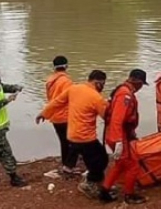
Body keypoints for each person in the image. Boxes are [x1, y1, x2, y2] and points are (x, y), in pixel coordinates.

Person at [36, 70, 109, 199]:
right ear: (98, 82)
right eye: (103, 84)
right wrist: (109, 104)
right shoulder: (96, 98)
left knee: (91, 160)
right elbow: (108, 117)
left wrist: (44, 113)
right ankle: (88, 184)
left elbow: (57, 102)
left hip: (71, 135)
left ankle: (96, 181)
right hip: (86, 138)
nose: (103, 87)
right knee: (102, 159)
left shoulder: (74, 89)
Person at [99, 69, 149, 205]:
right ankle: (129, 194)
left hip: (118, 134)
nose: (140, 88)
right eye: (141, 84)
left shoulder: (122, 90)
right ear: (137, 82)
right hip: (118, 135)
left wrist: (130, 134)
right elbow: (117, 119)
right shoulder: (125, 95)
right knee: (133, 165)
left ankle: (104, 190)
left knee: (120, 164)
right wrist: (118, 141)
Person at [44, 56, 76, 175]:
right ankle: (69, 166)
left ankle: (65, 163)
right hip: (65, 116)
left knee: (63, 141)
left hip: (54, 115)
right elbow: (69, 98)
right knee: (72, 142)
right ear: (66, 66)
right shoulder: (66, 81)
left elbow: (50, 98)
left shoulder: (49, 80)